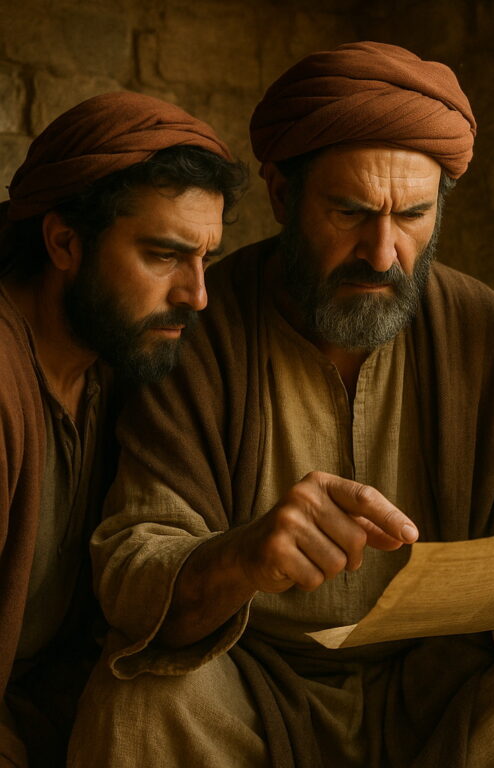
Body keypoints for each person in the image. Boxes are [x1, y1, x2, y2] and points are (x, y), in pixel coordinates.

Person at [69, 43, 494, 768]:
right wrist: (244, 556)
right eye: (350, 212)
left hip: (435, 684)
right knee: (140, 706)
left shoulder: (481, 328)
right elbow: (131, 564)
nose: (383, 252)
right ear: (283, 197)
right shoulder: (202, 327)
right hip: (246, 677)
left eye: (414, 215)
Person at [0, 91, 245, 768]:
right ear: (64, 242)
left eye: (206, 258)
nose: (197, 295)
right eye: (164, 255)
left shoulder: (112, 369)